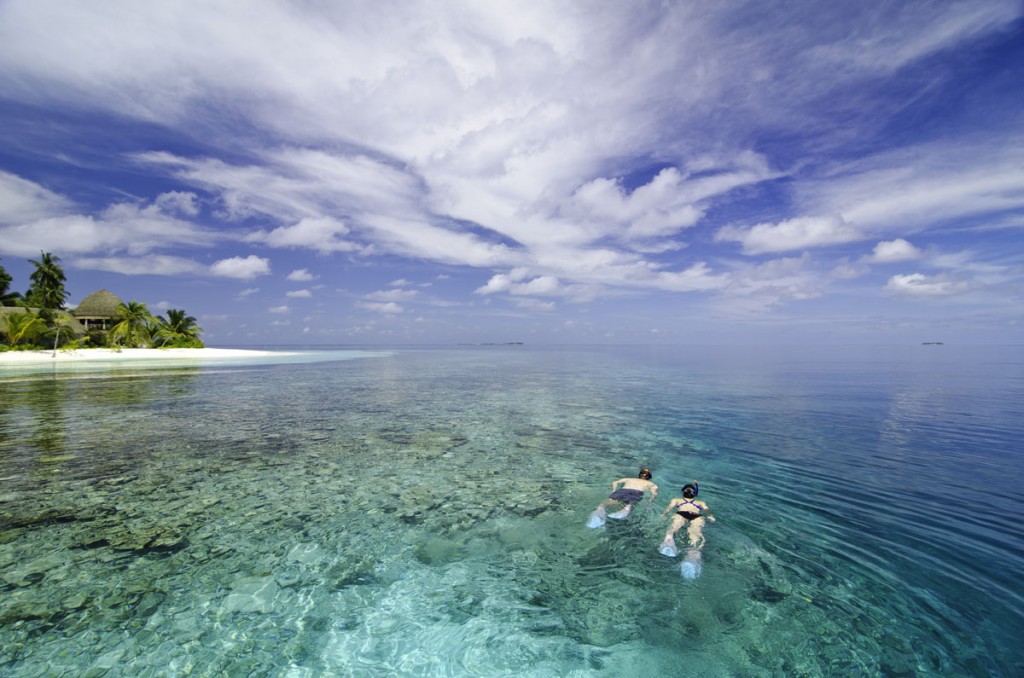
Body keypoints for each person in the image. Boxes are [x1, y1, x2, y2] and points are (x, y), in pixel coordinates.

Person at [659, 481, 715, 578]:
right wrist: (711, 516)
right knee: (696, 534)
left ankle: (668, 540)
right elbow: (707, 510)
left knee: (672, 529)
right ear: (694, 494)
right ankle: (693, 556)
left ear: (682, 492)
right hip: (696, 516)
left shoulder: (676, 500)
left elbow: (669, 508)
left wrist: (663, 514)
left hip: (681, 513)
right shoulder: (700, 502)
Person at [586, 467, 658, 528]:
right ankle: (624, 510)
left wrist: (614, 490)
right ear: (648, 477)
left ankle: (600, 509)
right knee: (630, 505)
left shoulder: (629, 479)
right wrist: (650, 500)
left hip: (623, 490)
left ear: (640, 475)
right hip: (636, 492)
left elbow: (614, 482)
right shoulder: (651, 483)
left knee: (609, 502)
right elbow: (654, 493)